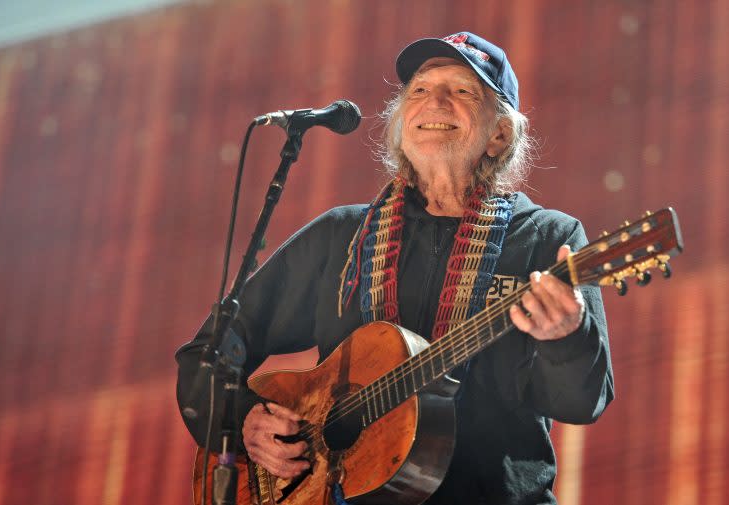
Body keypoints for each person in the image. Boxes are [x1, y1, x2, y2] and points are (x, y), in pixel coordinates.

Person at [176, 31, 614, 505]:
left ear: (500, 134)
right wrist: (243, 421)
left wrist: (568, 335)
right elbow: (209, 354)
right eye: (420, 91)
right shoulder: (341, 235)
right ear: (402, 122)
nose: (435, 103)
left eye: (463, 91)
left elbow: (581, 401)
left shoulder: (548, 239)